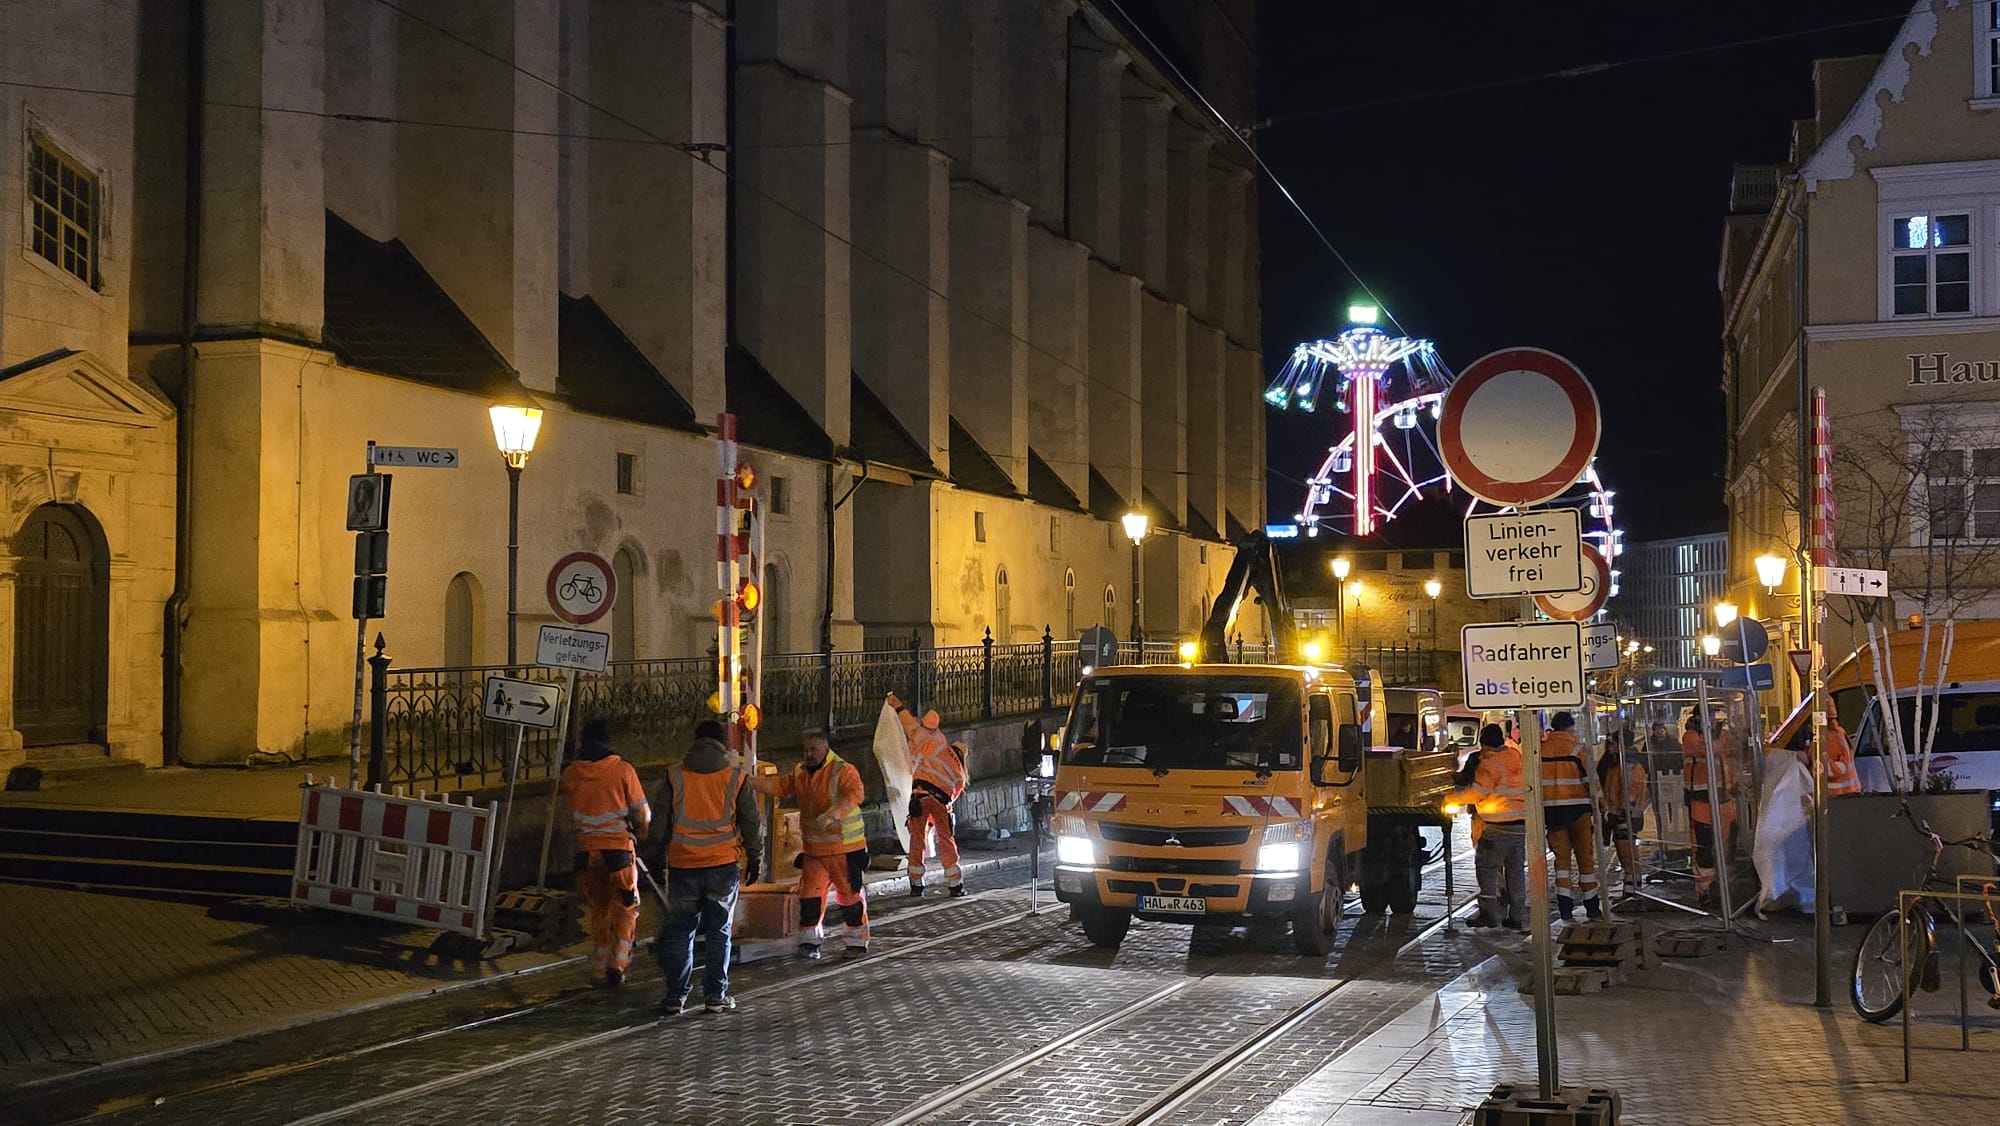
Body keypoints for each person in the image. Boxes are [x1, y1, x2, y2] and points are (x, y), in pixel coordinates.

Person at [651, 719, 762, 1016]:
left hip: (683, 865)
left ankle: (676, 996)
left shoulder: (674, 776)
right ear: (723, 745)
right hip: (722, 866)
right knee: (719, 931)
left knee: (680, 929)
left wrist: (654, 855)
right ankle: (715, 995)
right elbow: (752, 822)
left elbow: (659, 822)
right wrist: (755, 857)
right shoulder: (735, 778)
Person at [752, 727, 870, 959]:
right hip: (815, 850)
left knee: (849, 896)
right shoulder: (800, 772)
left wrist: (832, 815)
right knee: (809, 896)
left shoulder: (843, 770)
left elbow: (855, 794)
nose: (808, 754)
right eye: (805, 750)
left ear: (826, 748)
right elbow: (779, 787)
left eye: (813, 750)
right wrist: (752, 782)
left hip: (844, 848)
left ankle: (856, 941)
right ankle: (809, 941)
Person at [560, 717, 651, 989]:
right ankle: (618, 965)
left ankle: (598, 970)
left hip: (585, 854)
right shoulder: (623, 771)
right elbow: (642, 814)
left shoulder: (571, 774)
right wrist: (641, 833)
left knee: (599, 910)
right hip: (619, 853)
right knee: (626, 907)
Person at [890, 694, 970, 897]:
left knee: (917, 839)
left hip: (919, 796)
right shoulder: (960, 771)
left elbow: (908, 724)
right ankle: (955, 884)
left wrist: (898, 706)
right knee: (946, 840)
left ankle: (916, 883)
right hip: (940, 802)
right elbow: (952, 796)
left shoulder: (931, 740)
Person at [1448, 724, 1527, 930]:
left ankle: (1489, 914)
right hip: (1519, 824)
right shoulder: (1515, 756)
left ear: (1484, 744)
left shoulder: (1489, 764)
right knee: (1516, 870)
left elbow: (1477, 793)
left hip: (1497, 825)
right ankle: (1516, 916)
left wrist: (1451, 798)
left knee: (1487, 869)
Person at [1539, 712, 1600, 920]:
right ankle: (1591, 905)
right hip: (1579, 811)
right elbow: (1591, 782)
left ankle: (1565, 906)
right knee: (1585, 860)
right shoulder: (1577, 749)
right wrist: (1602, 805)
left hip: (1552, 812)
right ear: (1570, 727)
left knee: (1561, 861)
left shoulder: (1541, 750)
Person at [1683, 713, 1739, 906]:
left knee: (1726, 846)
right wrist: (1720, 741)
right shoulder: (1691, 736)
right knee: (1703, 846)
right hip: (1701, 798)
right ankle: (1704, 890)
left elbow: (1731, 755)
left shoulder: (1721, 737)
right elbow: (1706, 750)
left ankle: (1722, 887)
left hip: (1724, 797)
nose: (1712, 720)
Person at [1596, 728, 1649, 897]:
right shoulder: (1618, 764)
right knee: (1625, 855)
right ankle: (1631, 890)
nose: (1608, 747)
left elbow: (1630, 793)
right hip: (1620, 816)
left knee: (1628, 856)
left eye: (1612, 744)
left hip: (1625, 817)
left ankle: (1633, 891)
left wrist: (1621, 815)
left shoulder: (1628, 765)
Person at [1825, 714, 1862, 796]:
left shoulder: (1830, 738)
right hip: (1848, 794)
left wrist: (1813, 765)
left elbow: (1839, 769)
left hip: (1838, 796)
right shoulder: (1838, 732)